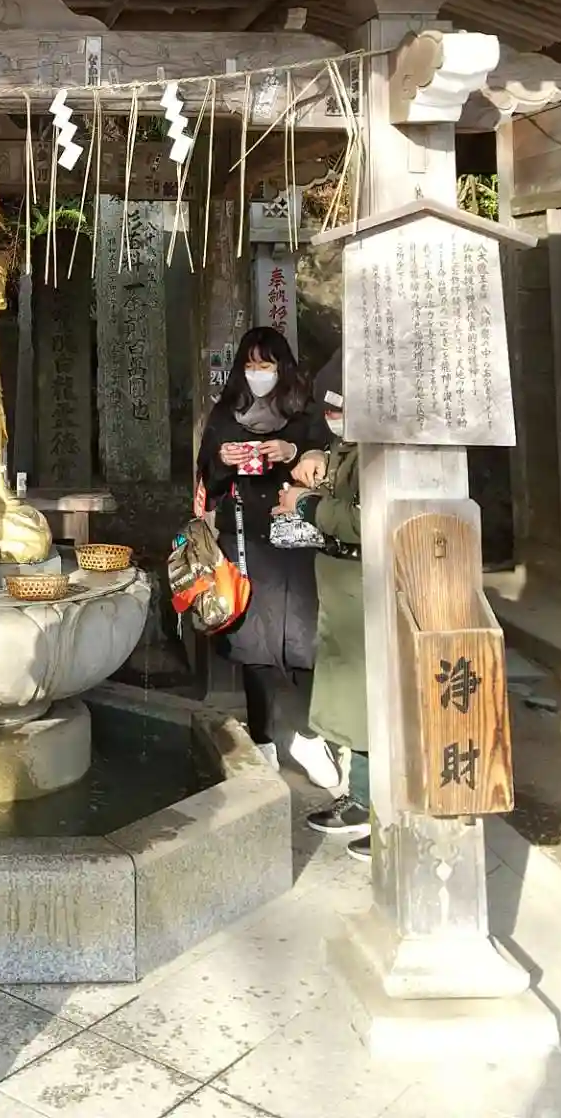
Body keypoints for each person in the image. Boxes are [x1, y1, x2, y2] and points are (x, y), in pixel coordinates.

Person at [194, 326, 338, 789]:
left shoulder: (303, 410)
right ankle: (263, 738)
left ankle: (311, 735)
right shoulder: (227, 412)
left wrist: (293, 451)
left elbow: (327, 459)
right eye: (251, 365)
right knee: (252, 641)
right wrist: (224, 459)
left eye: (267, 365)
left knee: (306, 635)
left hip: (297, 541)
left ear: (283, 368)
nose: (258, 373)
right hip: (245, 539)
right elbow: (208, 479)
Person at [275, 352, 369, 860]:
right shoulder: (346, 445)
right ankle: (362, 799)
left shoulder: (376, 450)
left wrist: (306, 504)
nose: (332, 417)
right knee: (353, 705)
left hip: (364, 591)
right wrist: (317, 467)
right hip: (342, 591)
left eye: (339, 409)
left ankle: (384, 810)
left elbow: (360, 520)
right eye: (328, 410)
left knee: (371, 702)